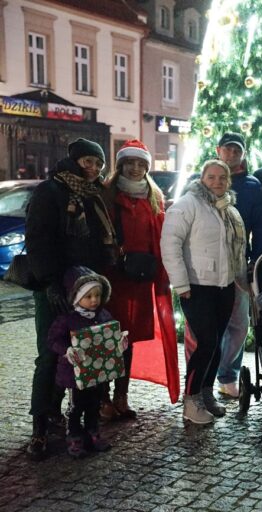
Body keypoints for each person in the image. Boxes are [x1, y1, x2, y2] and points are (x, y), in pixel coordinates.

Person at [25, 138, 117, 460]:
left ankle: (74, 419)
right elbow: (38, 239)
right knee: (50, 356)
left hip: (85, 290)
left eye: (99, 164)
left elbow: (97, 241)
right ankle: (39, 428)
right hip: (55, 288)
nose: (93, 169)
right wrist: (50, 283)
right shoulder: (50, 191)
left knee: (85, 357)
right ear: (74, 161)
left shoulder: (94, 196)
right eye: (88, 162)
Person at [161, 159, 246, 425]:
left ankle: (206, 393)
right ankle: (191, 400)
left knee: (216, 342)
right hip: (197, 286)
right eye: (211, 177)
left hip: (225, 284)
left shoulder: (228, 208)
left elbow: (236, 248)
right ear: (202, 179)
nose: (217, 182)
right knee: (206, 342)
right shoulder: (189, 204)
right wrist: (181, 283)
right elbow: (170, 243)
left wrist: (241, 280)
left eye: (222, 178)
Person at [101, 139, 179, 419]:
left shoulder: (153, 196)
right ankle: (102, 398)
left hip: (141, 278)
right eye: (130, 163)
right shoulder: (107, 195)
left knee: (128, 338)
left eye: (140, 164)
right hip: (112, 279)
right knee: (106, 336)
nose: (135, 169)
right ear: (120, 165)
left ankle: (121, 395)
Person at [209, 132, 262, 398]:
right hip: (207, 266)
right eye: (228, 150)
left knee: (239, 324)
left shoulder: (252, 185)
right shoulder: (204, 180)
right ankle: (202, 378)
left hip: (238, 264)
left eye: (237, 151)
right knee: (208, 326)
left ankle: (228, 375)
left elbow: (260, 224)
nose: (232, 155)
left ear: (243, 153)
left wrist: (256, 257)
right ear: (218, 150)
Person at [48, 266, 121, 457]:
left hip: (97, 373)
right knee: (76, 407)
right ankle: (74, 436)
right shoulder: (67, 319)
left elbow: (109, 335)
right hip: (73, 375)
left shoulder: (103, 315)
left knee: (93, 404)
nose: (94, 300)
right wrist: (66, 350)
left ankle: (92, 432)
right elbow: (53, 340)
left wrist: (118, 342)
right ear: (76, 298)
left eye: (97, 295)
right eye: (88, 296)